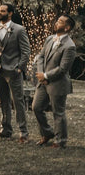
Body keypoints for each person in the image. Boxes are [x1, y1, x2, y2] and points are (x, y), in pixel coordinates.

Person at [33, 15, 76, 149]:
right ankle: (47, 133)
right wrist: (41, 75)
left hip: (58, 83)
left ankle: (60, 140)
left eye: (60, 22)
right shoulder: (49, 39)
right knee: (36, 107)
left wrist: (46, 75)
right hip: (43, 82)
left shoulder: (70, 46)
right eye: (57, 20)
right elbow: (41, 56)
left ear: (67, 27)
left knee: (58, 112)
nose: (56, 23)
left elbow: (63, 68)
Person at [0, 3, 31, 143]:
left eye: (2, 11)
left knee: (17, 101)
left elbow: (26, 51)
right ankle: (5, 129)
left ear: (10, 13)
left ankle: (23, 132)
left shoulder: (19, 30)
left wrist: (19, 67)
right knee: (4, 101)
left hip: (13, 71)